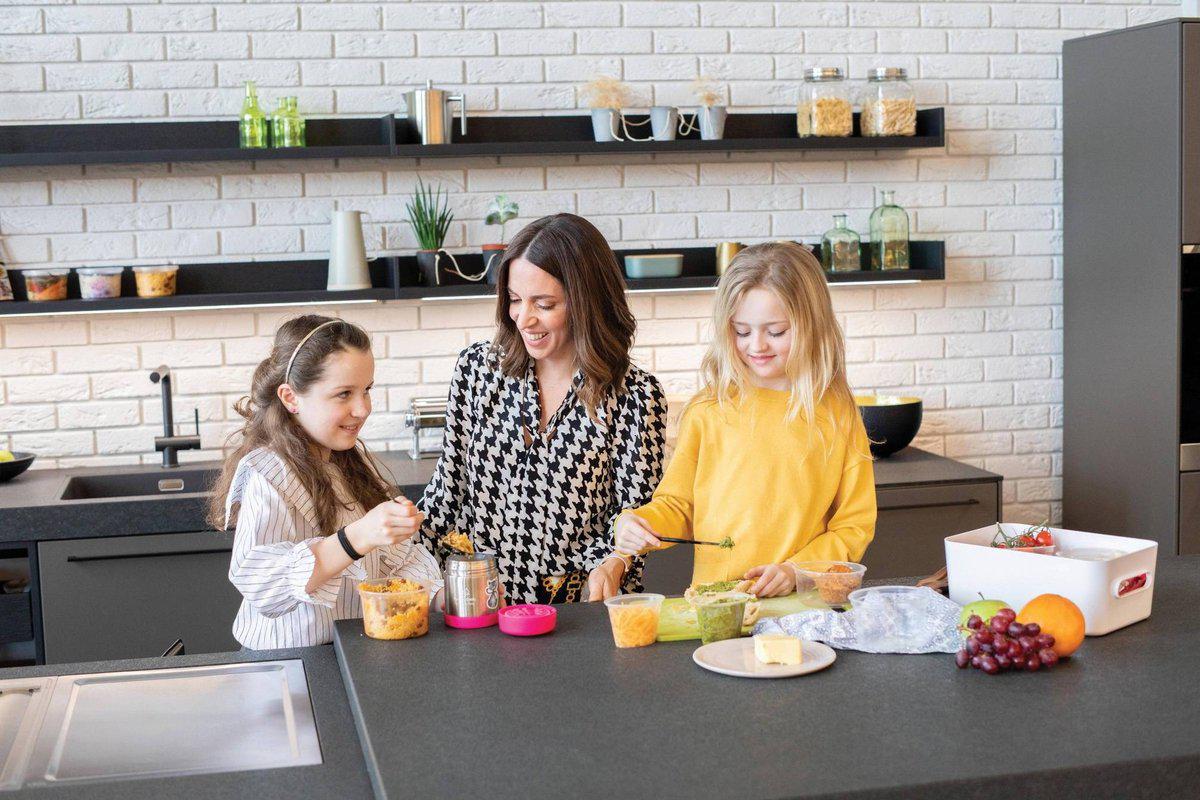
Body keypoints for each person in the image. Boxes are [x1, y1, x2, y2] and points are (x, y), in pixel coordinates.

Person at [417, 213, 667, 604]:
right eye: (515, 300)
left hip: (581, 613)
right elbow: (448, 492)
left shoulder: (636, 396)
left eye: (544, 304)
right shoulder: (478, 370)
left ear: (587, 302)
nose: (524, 318)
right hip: (480, 607)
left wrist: (613, 563)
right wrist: (398, 547)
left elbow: (633, 521)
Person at [614, 242, 876, 597]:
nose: (757, 345)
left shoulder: (836, 411)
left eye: (777, 331)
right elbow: (679, 506)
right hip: (718, 602)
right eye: (742, 331)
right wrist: (638, 523)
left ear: (811, 325)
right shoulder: (708, 409)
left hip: (803, 603)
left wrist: (796, 570)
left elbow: (854, 524)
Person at [210, 315, 441, 649]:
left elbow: (396, 560)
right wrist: (358, 536)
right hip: (288, 663)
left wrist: (444, 596)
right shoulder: (268, 472)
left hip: (351, 651)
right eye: (344, 394)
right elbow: (259, 581)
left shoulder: (348, 462)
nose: (362, 409)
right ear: (291, 398)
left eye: (366, 390)